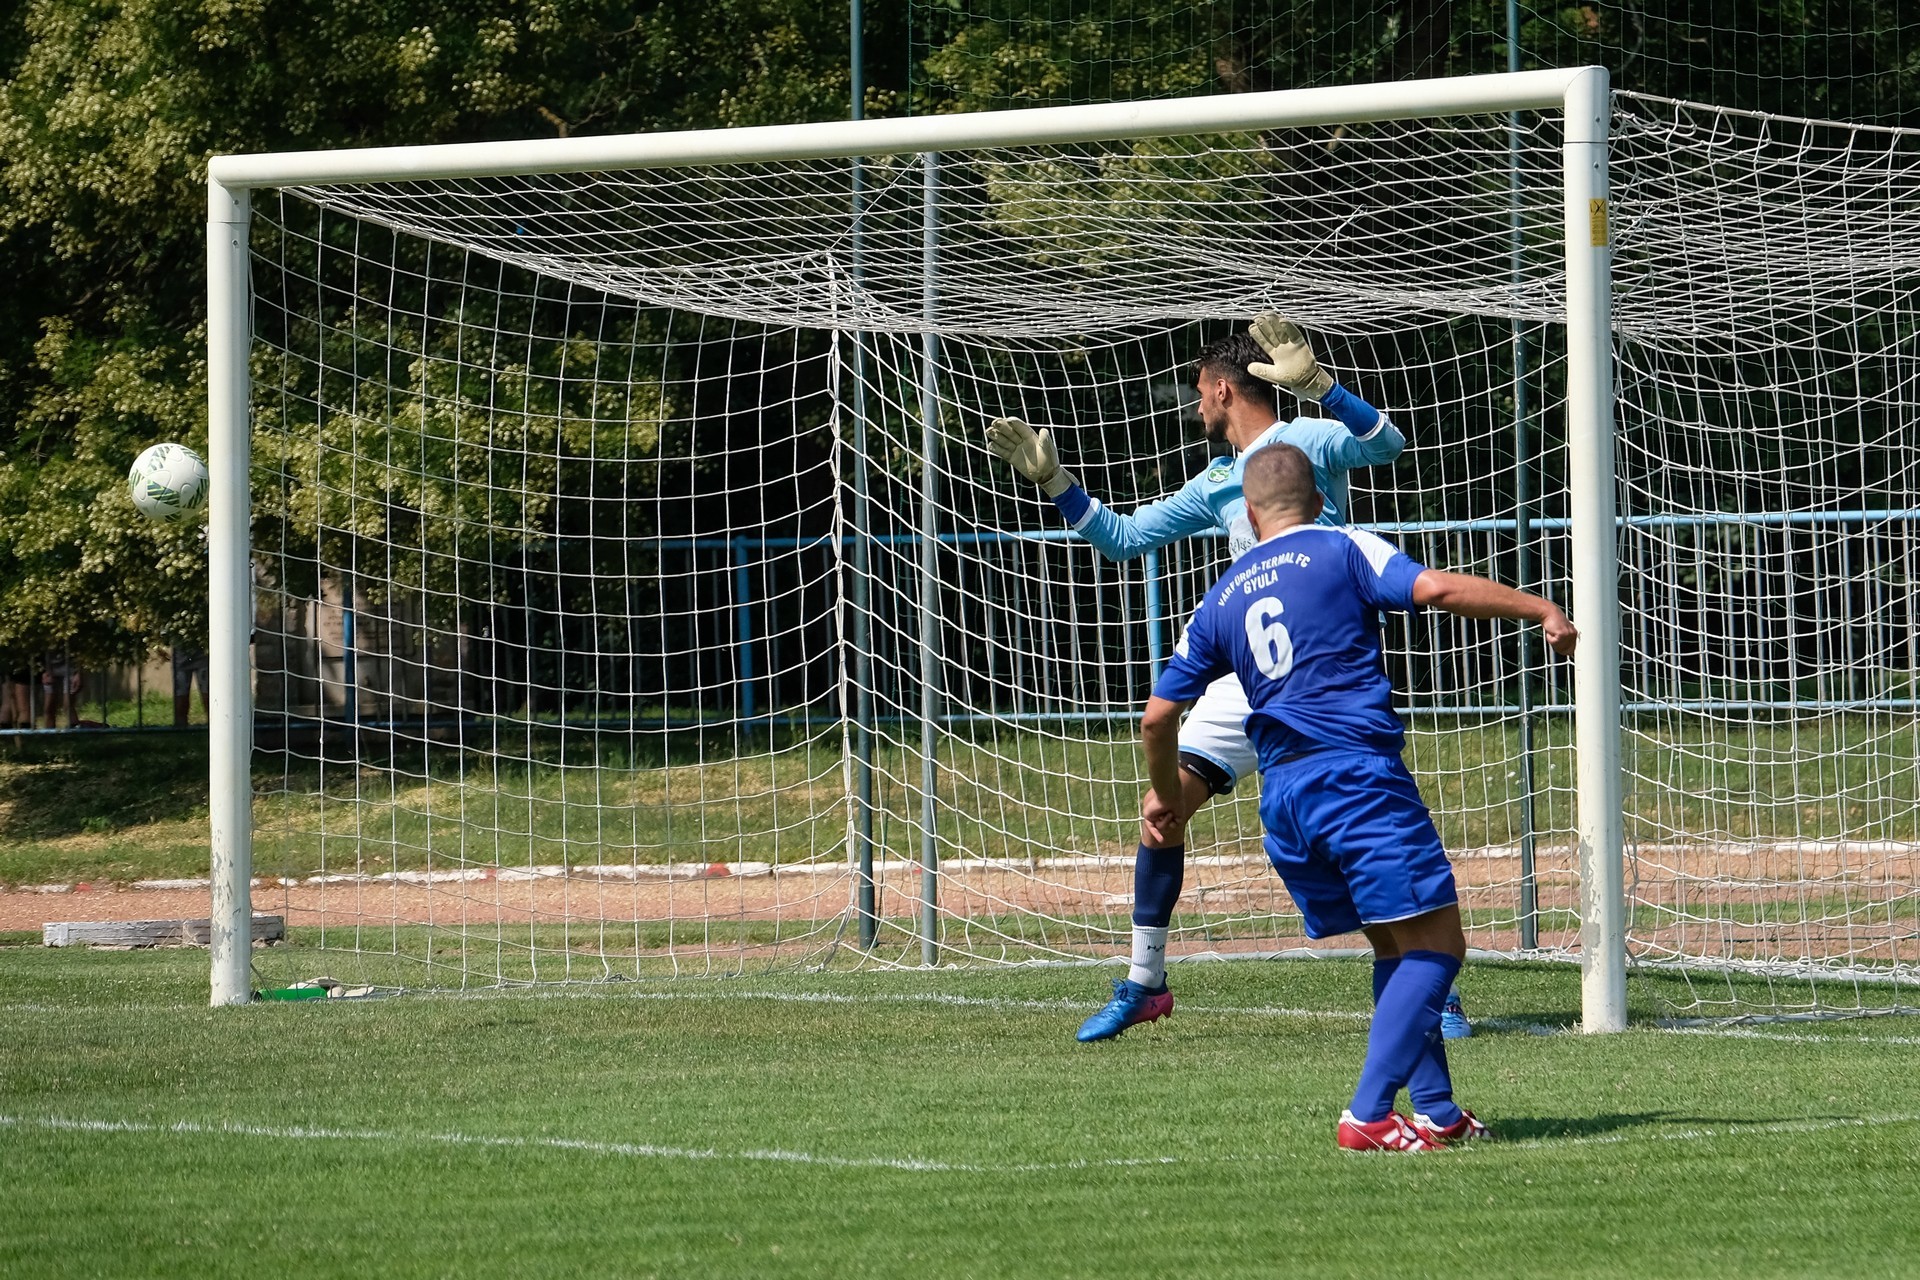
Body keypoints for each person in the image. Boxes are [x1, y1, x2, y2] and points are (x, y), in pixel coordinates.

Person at [985, 315, 1473, 1041]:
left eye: (1198, 393)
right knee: (1160, 813)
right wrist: (1055, 481)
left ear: (1220, 390)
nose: (1195, 408)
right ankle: (1145, 983)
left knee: (1365, 825)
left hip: (1319, 675)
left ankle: (1434, 993)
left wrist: (1324, 388)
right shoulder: (1218, 481)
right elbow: (1123, 539)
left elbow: (1388, 445)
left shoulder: (1307, 440)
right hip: (1248, 675)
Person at [1143, 443, 1576, 1149]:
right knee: (1439, 948)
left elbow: (1157, 718)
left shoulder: (1221, 596)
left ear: (1248, 512)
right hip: (1356, 782)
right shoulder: (1344, 547)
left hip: (1286, 799)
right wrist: (1540, 607)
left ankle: (1437, 1111)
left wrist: (1167, 793)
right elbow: (1435, 590)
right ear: (1318, 500)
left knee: (1396, 948)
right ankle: (1368, 1115)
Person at [172, 644, 209, 726]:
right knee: (181, 695)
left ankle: (214, 725)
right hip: (181, 654)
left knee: (207, 694)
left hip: (203, 653)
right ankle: (181, 727)